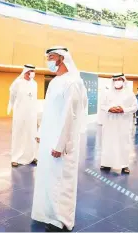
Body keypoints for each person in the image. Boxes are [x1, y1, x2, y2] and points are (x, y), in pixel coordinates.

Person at [31, 46, 87, 232]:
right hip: (49, 140)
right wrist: (41, 134)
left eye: (51, 57)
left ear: (62, 59)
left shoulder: (72, 82)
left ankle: (61, 220)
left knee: (61, 181)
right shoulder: (56, 81)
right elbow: (49, 113)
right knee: (48, 178)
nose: (48, 60)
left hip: (61, 144)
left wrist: (60, 144)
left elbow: (69, 117)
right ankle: (48, 214)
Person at [100, 74, 138, 174]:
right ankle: (106, 163)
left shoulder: (129, 94)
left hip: (123, 123)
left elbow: (135, 107)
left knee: (123, 143)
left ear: (123, 80)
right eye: (115, 79)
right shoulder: (107, 93)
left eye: (119, 79)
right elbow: (102, 105)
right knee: (108, 142)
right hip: (109, 123)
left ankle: (124, 165)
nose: (117, 81)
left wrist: (123, 110)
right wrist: (110, 108)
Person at [7, 64, 38, 167]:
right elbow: (12, 96)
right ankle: (15, 158)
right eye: (30, 71)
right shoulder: (17, 83)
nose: (32, 73)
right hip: (20, 113)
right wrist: (10, 106)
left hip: (31, 114)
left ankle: (31, 156)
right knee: (19, 134)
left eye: (33, 71)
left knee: (31, 134)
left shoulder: (35, 84)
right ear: (25, 72)